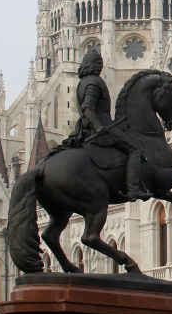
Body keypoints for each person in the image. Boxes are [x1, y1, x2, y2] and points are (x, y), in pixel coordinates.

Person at [59, 46, 148, 199]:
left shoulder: (83, 82)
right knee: (134, 149)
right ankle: (133, 189)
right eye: (98, 63)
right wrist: (98, 126)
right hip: (101, 126)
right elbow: (87, 107)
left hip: (87, 127)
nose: (101, 66)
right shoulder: (94, 82)